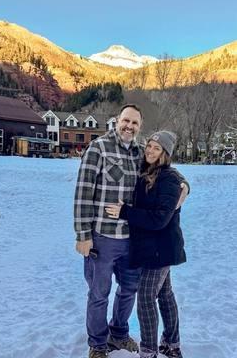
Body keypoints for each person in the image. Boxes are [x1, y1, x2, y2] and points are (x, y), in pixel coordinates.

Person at [74, 105, 189, 358]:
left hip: (132, 239)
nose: (130, 126)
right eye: (126, 121)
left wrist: (185, 185)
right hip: (102, 238)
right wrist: (83, 234)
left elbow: (166, 167)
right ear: (118, 121)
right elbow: (83, 192)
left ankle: (119, 333)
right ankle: (98, 345)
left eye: (135, 123)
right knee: (98, 293)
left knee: (128, 290)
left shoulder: (140, 151)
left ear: (139, 126)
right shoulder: (98, 148)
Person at [105, 130, 186, 358]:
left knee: (146, 297)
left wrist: (125, 212)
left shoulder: (169, 178)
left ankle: (149, 351)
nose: (150, 150)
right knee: (165, 294)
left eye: (156, 148)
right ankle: (172, 344)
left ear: (165, 154)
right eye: (149, 145)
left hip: (161, 249)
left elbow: (159, 219)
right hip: (151, 247)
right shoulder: (146, 170)